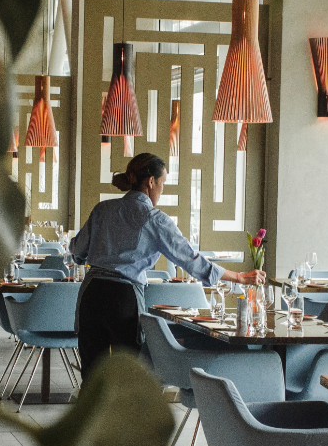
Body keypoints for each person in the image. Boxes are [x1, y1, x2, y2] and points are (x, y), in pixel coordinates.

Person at [70, 153, 266, 382]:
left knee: (91, 375)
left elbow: (77, 250)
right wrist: (239, 277)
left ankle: (91, 418)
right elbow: (190, 259)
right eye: (162, 184)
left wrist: (93, 256)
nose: (161, 191)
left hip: (91, 293)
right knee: (129, 376)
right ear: (150, 182)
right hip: (123, 298)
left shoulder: (102, 209)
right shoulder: (155, 218)